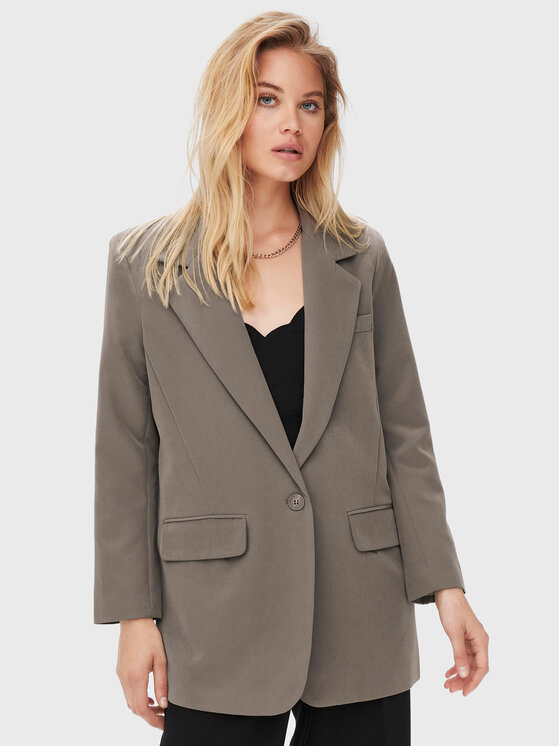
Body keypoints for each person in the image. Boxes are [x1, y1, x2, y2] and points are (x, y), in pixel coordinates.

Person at [93, 11, 489, 746]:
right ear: (228, 110)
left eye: (310, 105)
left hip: (361, 609)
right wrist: (132, 615)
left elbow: (405, 436)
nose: (291, 124)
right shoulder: (145, 266)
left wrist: (447, 587)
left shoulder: (360, 257)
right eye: (267, 99)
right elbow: (126, 453)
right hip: (214, 614)